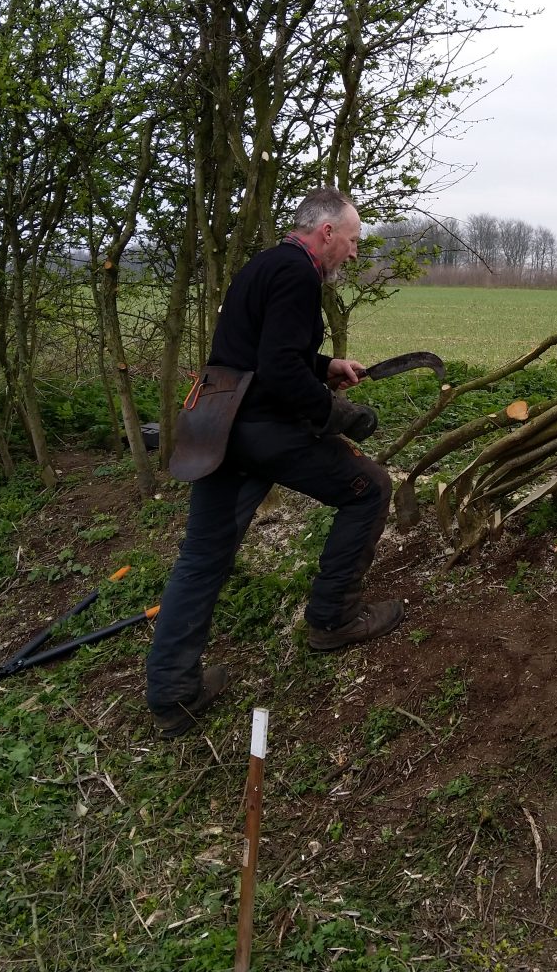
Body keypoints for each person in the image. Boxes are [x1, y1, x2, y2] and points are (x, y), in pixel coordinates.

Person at [146, 187, 402, 738]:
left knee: (202, 557)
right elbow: (280, 373)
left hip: (219, 428)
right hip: (261, 429)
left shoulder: (263, 265)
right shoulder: (298, 274)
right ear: (327, 233)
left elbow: (260, 353)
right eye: (353, 240)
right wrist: (338, 415)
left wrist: (324, 364)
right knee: (370, 488)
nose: (354, 251)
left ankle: (172, 694)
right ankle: (333, 619)